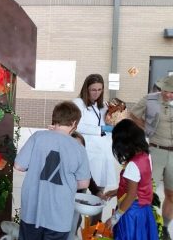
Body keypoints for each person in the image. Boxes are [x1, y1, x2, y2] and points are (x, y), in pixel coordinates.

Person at [14, 101, 91, 240]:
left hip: (32, 210)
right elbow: (84, 183)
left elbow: (19, 166)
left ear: (55, 118)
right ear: (74, 123)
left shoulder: (38, 137)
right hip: (59, 216)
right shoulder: (78, 148)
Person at [129, 75, 173, 240]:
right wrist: (146, 128)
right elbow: (133, 114)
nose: (168, 95)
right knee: (147, 192)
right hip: (156, 150)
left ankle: (165, 229)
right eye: (166, 91)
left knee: (171, 195)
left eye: (172, 92)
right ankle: (146, 226)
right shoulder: (150, 99)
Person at [73, 74, 119, 224]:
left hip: (103, 155)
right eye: (93, 90)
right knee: (80, 195)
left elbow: (111, 122)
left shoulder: (102, 106)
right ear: (86, 89)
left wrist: (115, 113)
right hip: (87, 155)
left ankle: (94, 230)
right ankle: (73, 227)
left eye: (99, 89)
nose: (96, 93)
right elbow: (77, 125)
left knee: (99, 196)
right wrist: (102, 129)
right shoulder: (78, 103)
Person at [104, 119, 159, 240]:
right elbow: (139, 185)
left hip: (130, 214)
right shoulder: (146, 156)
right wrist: (115, 192)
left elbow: (131, 195)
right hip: (144, 211)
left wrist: (114, 218)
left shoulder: (132, 166)